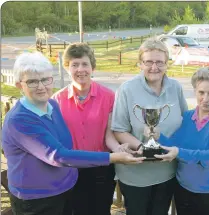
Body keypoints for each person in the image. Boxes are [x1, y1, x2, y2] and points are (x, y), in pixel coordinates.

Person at [1, 52, 144, 215]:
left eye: (45, 79)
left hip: (65, 188)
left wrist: (118, 148)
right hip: (37, 199)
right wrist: (113, 157)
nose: (41, 86)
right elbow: (58, 155)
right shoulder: (20, 119)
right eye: (32, 82)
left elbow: (66, 142)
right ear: (20, 85)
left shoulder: (52, 105)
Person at [111, 38, 188, 215]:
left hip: (167, 170)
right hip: (136, 172)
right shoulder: (127, 89)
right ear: (140, 64)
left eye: (160, 62)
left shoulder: (175, 87)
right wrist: (143, 147)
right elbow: (118, 129)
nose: (154, 67)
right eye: (149, 62)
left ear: (167, 64)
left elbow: (185, 122)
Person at [146, 66, 209, 215]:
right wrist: (157, 136)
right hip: (183, 188)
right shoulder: (187, 116)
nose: (205, 99)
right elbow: (173, 145)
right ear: (195, 91)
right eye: (201, 92)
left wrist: (179, 152)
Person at [52, 43, 125, 215]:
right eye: (74, 64)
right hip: (70, 170)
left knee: (100, 211)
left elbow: (109, 135)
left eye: (85, 64)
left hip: (101, 169)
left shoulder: (109, 97)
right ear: (67, 68)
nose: (80, 69)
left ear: (92, 67)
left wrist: (119, 149)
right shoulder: (57, 100)